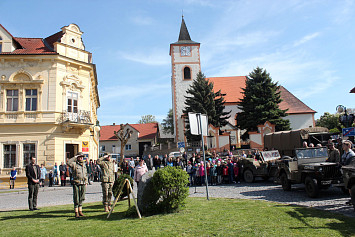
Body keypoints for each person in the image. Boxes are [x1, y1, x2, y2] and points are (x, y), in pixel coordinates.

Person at [67, 152, 88, 218]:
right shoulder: (74, 164)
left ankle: (80, 210)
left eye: (82, 157)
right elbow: (68, 162)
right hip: (76, 183)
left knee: (82, 197)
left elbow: (86, 174)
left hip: (83, 183)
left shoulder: (84, 165)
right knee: (76, 197)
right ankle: (76, 212)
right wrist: (75, 157)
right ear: (78, 157)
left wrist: (86, 182)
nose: (82, 158)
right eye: (80, 157)